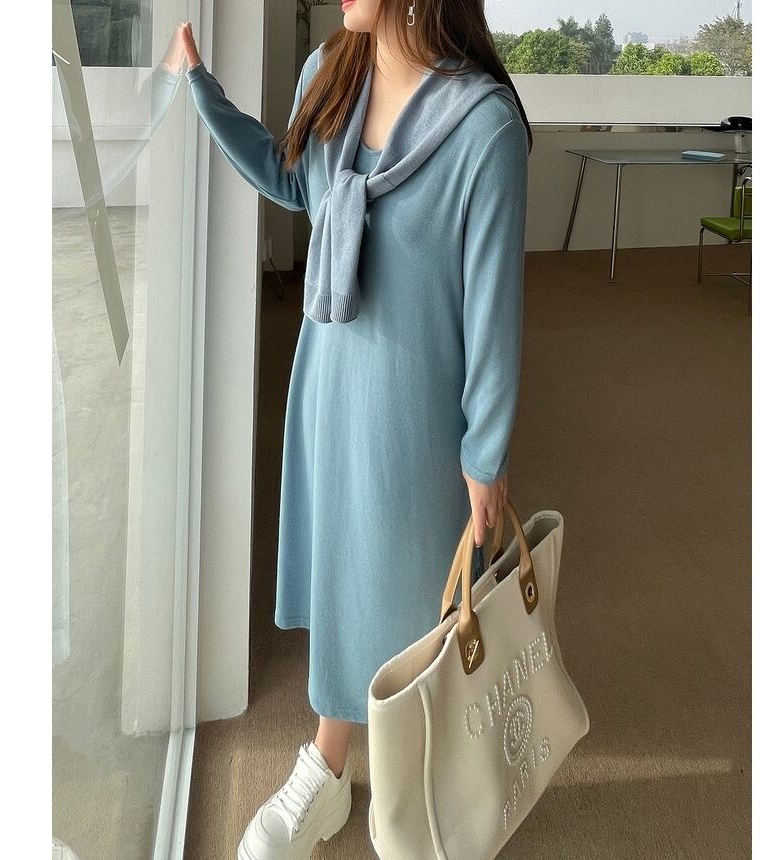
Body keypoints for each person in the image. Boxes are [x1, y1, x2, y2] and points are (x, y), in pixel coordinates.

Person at [177, 0, 531, 855]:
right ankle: (330, 770)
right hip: (329, 392)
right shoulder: (330, 73)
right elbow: (293, 180)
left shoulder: (483, 127)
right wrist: (201, 90)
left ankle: (423, 792)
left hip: (418, 417)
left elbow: (493, 311)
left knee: (420, 605)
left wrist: (485, 452)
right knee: (342, 583)